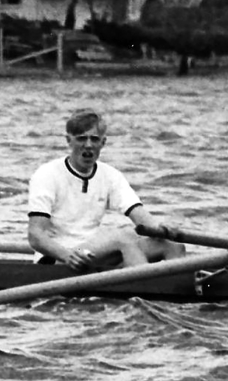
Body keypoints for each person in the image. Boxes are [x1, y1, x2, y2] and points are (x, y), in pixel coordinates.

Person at [27, 108, 184, 270]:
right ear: (69, 140)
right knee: (121, 238)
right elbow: (35, 236)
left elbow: (141, 218)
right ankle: (146, 289)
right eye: (81, 139)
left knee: (172, 246)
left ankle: (180, 291)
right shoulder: (46, 174)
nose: (88, 145)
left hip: (93, 252)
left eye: (94, 139)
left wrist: (161, 228)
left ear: (103, 142)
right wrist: (67, 255)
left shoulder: (110, 175)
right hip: (60, 256)